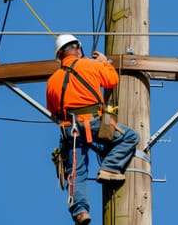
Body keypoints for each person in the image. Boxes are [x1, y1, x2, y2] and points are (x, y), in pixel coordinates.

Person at [46, 35, 140, 225]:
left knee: (76, 172)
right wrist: (105, 63)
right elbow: (112, 80)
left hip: (70, 132)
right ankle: (110, 168)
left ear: (60, 55)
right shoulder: (90, 65)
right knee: (130, 137)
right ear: (78, 49)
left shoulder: (52, 81)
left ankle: (80, 211)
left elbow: (52, 111)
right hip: (93, 123)